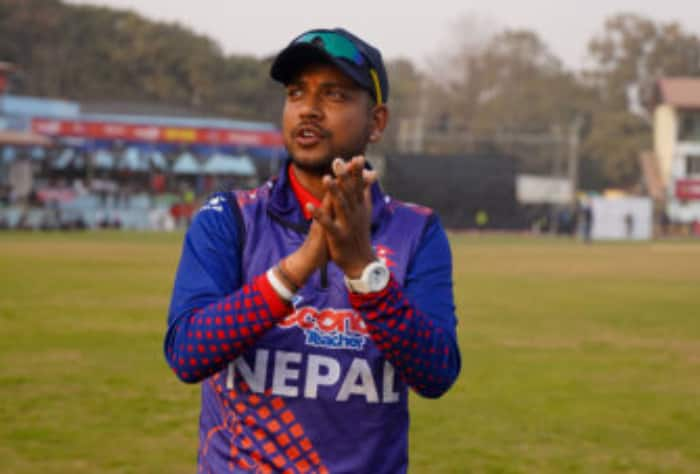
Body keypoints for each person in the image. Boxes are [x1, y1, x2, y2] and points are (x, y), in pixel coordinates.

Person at [164, 28, 461, 474]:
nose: (308, 108)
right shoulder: (230, 217)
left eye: (335, 94)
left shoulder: (415, 230)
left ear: (377, 121)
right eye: (296, 92)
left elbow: (437, 373)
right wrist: (297, 268)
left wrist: (363, 270)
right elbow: (188, 353)